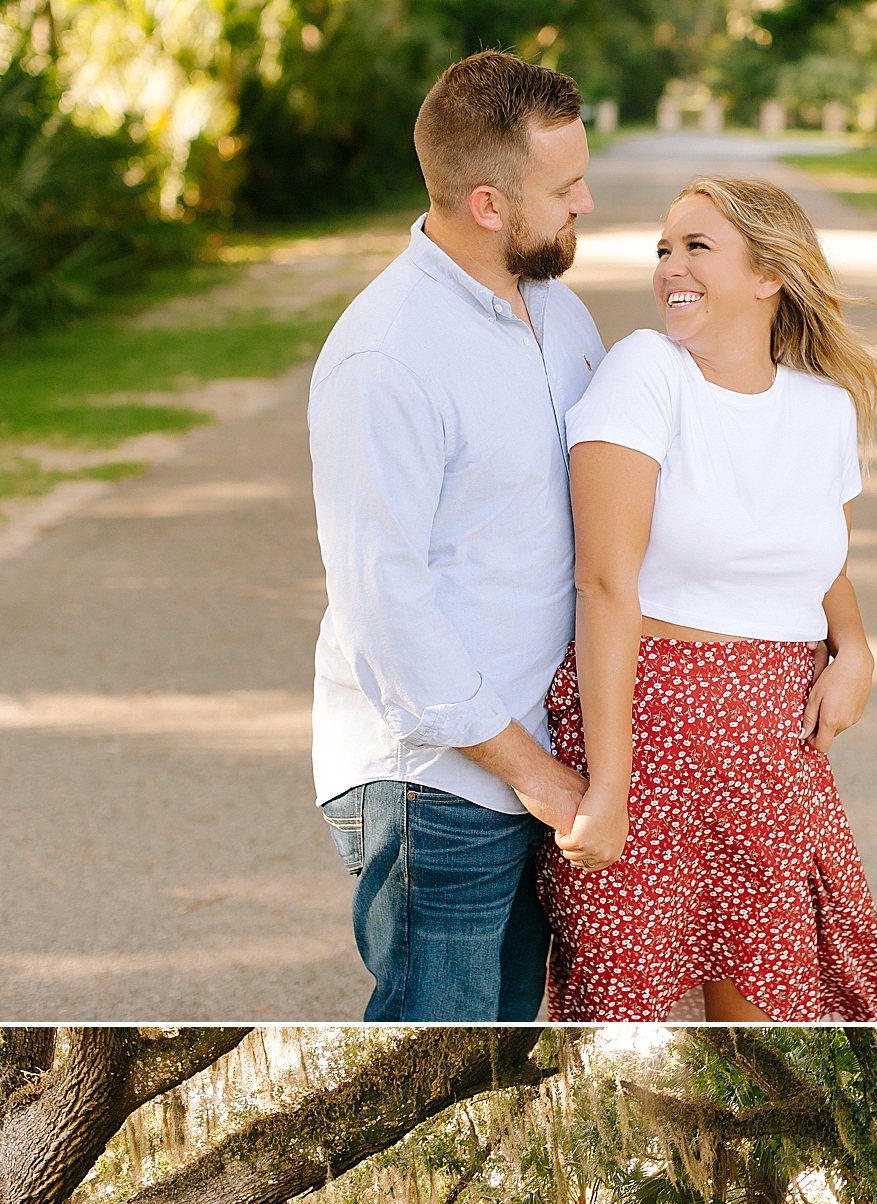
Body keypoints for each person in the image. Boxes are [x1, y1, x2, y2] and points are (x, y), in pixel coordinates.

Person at [535, 176, 877, 1022]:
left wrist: (856, 647)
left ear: (770, 274)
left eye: (697, 247)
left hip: (772, 742)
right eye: (663, 249)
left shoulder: (824, 410)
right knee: (624, 1014)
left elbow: (813, 553)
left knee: (777, 1014)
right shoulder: (647, 372)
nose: (669, 269)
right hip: (652, 729)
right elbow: (605, 581)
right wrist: (609, 787)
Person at [309, 52, 603, 1021]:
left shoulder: (558, 315)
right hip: (440, 777)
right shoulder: (385, 355)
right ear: (488, 202)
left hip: (538, 758)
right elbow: (384, 615)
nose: (586, 204)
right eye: (564, 188)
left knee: (503, 1033)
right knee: (440, 1033)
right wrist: (534, 774)